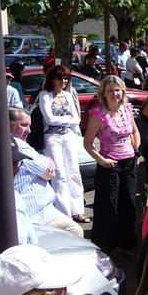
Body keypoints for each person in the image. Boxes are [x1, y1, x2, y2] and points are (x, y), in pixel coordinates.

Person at [83, 75, 140, 254]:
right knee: (109, 207)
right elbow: (88, 143)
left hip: (129, 162)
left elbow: (135, 131)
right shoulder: (98, 115)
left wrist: (136, 148)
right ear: (104, 94)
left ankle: (127, 244)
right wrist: (102, 160)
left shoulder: (127, 109)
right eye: (110, 90)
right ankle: (106, 246)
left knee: (129, 204)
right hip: (109, 164)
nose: (115, 93)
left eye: (117, 89)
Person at [9, 108, 84, 237]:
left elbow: (48, 171)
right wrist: (46, 160)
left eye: (29, 125)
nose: (29, 130)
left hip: (47, 212)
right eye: (23, 125)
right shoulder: (17, 145)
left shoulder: (24, 145)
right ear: (8, 126)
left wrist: (45, 161)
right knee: (74, 232)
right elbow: (46, 171)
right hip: (34, 218)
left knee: (75, 230)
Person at [37, 65, 88, 223]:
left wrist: (66, 121)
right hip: (52, 138)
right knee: (59, 175)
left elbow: (77, 119)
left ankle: (78, 211)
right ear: (53, 79)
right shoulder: (45, 95)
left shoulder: (67, 95)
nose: (64, 81)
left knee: (74, 172)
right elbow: (49, 119)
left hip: (68, 137)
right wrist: (67, 120)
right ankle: (64, 213)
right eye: (61, 78)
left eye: (66, 78)